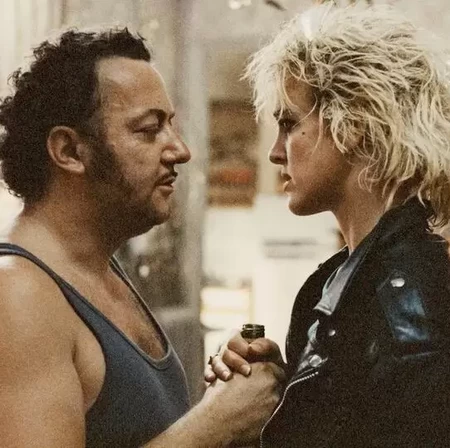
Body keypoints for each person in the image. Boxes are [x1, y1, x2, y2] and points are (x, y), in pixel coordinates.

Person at [0, 28, 284, 447]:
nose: (180, 150)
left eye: (171, 125)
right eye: (149, 130)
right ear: (70, 151)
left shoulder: (101, 268)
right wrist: (213, 424)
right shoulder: (17, 296)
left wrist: (230, 400)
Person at [206, 4, 450, 447]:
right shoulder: (350, 284)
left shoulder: (406, 314)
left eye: (288, 124)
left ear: (352, 124)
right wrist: (287, 392)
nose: (275, 152)